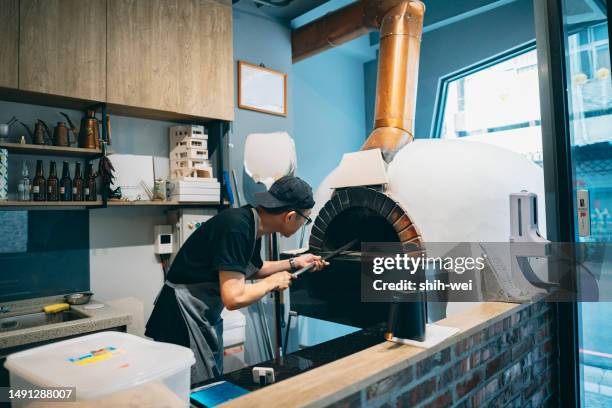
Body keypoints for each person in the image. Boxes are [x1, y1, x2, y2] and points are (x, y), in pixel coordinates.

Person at [145, 176, 327, 384]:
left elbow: (252, 269)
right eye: (306, 219)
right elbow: (233, 297)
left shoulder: (250, 223)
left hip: (199, 311)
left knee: (208, 380)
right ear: (290, 216)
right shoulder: (237, 227)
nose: (304, 223)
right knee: (197, 388)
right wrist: (271, 283)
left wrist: (295, 262)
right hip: (182, 313)